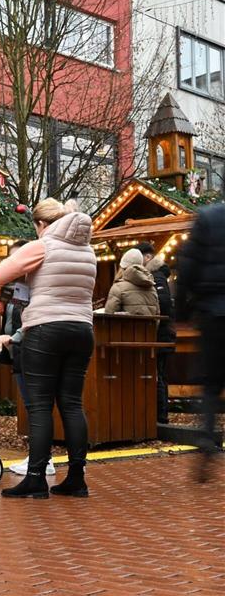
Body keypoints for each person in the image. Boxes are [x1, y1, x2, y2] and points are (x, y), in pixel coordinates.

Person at [0, 198, 96, 499]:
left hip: (45, 329)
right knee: (72, 404)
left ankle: (36, 477)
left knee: (39, 406)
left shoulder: (42, 245)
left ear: (41, 224)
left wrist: (20, 282)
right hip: (82, 329)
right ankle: (77, 478)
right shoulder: (88, 251)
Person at [0, 241, 56, 477]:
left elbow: (31, 320)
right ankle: (39, 457)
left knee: (36, 405)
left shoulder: (32, 286)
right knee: (32, 405)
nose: (13, 263)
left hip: (29, 350)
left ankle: (42, 459)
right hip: (18, 352)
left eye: (17, 257)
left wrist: (14, 336)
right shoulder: (14, 287)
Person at [176, 202, 225, 483]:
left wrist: (182, 310)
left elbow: (188, 265)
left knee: (210, 384)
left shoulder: (207, 218)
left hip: (213, 312)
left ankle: (207, 436)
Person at [135, 242, 176, 424]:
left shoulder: (156, 276)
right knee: (159, 373)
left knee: (158, 373)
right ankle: (160, 414)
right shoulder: (158, 275)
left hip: (161, 332)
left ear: (147, 257)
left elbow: (165, 304)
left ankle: (161, 415)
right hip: (163, 331)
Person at [104, 249, 159, 316]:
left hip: (124, 326)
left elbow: (108, 315)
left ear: (123, 266)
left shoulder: (118, 287)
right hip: (149, 326)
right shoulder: (152, 288)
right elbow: (157, 315)